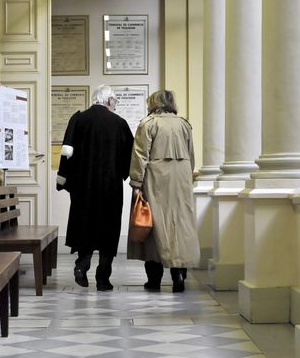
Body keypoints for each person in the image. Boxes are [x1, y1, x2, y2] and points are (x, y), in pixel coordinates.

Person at [56, 85, 134, 291]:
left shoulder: (78, 119)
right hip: (110, 187)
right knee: (109, 229)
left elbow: (66, 153)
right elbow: (130, 156)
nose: (115, 105)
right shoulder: (119, 124)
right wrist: (122, 175)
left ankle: (82, 265)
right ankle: (103, 278)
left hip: (84, 187)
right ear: (108, 100)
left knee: (85, 225)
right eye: (115, 101)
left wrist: (65, 182)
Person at [128, 90, 200, 293]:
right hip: (181, 180)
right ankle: (178, 275)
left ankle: (154, 280)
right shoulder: (184, 124)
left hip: (156, 179)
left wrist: (136, 182)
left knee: (155, 226)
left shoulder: (148, 123)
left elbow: (140, 155)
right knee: (180, 225)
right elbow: (191, 155)